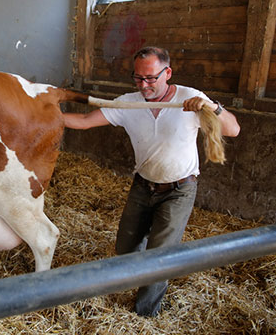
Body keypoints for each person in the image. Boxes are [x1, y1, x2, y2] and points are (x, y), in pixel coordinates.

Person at [64, 46, 240, 317]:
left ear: (167, 73)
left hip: (179, 189)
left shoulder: (190, 99)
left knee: (162, 257)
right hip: (143, 185)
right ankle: (141, 264)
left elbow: (233, 129)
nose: (144, 85)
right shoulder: (129, 103)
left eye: (151, 78)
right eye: (138, 78)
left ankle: (145, 312)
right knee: (125, 247)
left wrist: (212, 107)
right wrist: (48, 117)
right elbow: (86, 121)